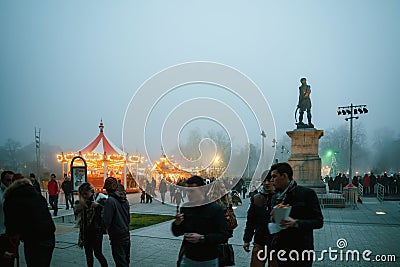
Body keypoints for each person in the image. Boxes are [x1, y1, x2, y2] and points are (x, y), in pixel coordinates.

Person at [269, 163, 323, 267]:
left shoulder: (307, 194)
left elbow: (318, 222)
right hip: (282, 249)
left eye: (274, 176)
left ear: (284, 176)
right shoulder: (275, 197)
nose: (271, 180)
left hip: (301, 249)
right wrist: (273, 218)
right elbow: (273, 221)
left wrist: (296, 223)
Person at [172, 175, 229, 266]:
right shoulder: (186, 208)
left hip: (208, 259)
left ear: (202, 190)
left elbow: (224, 235)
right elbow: (177, 232)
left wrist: (202, 238)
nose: (188, 194)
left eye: (192, 191)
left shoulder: (215, 209)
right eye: (187, 191)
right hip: (188, 258)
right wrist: (177, 223)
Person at [3, 176, 56, 267]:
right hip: (49, 235)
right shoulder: (38, 196)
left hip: (32, 238)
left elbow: (11, 222)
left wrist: (12, 236)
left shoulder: (11, 198)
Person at [243, 170, 275, 267]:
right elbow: (250, 221)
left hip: (276, 243)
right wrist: (247, 239)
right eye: (264, 180)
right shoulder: (256, 199)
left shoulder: (280, 198)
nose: (267, 183)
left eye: (269, 180)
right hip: (259, 241)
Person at [74, 183, 108, 267]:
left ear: (92, 191)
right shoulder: (81, 203)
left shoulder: (100, 198)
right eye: (82, 194)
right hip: (86, 231)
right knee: (88, 254)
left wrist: (98, 206)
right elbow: (78, 216)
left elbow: (107, 212)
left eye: (86, 193)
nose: (84, 196)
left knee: (97, 253)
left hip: (97, 230)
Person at [102, 177, 130, 267]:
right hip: (126, 234)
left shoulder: (110, 201)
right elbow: (128, 218)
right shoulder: (125, 200)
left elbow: (106, 221)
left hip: (117, 235)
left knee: (120, 262)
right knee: (125, 260)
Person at [0, 171, 15, 267]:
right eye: (8, 180)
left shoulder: (14, 193)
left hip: (11, 234)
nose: (10, 182)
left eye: (12, 180)